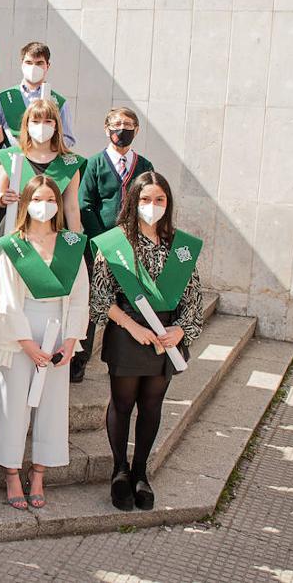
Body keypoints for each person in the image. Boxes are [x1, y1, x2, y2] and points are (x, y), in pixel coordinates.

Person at [89, 172, 203, 512]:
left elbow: (194, 297)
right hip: (129, 333)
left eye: (159, 200)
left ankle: (141, 472)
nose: (152, 207)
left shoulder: (179, 247)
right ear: (132, 202)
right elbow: (100, 295)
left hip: (166, 336)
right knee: (122, 404)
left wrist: (180, 331)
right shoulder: (116, 244)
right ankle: (119, 470)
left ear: (167, 205)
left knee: (152, 405)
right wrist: (131, 327)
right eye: (145, 200)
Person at [0, 176, 89, 510]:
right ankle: (12, 471)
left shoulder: (71, 244)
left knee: (52, 404)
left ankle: (40, 471)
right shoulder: (14, 246)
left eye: (51, 200)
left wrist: (71, 340)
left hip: (59, 330)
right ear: (26, 204)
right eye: (38, 199)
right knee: (13, 402)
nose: (45, 206)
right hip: (21, 334)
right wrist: (27, 343)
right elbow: (5, 299)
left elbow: (80, 293)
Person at [73, 107, 154, 382]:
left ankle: (127, 358)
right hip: (98, 246)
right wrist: (101, 241)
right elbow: (85, 204)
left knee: (128, 300)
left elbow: (149, 199)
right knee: (96, 302)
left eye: (129, 124)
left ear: (137, 130)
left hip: (132, 246)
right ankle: (80, 360)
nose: (123, 129)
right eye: (117, 124)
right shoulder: (94, 163)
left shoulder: (144, 166)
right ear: (107, 128)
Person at [0, 99, 85, 233]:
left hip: (53, 232)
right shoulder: (10, 157)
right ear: (27, 125)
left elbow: (71, 207)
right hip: (16, 230)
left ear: (56, 126)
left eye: (48, 121)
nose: (41, 126)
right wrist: (3, 198)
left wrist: (75, 240)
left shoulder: (69, 162)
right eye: (35, 121)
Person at [0, 41, 76, 148]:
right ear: (22, 64)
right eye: (29, 62)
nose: (33, 67)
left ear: (47, 66)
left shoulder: (58, 102)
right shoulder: (5, 98)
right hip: (10, 160)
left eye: (39, 63)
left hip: (43, 162)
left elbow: (67, 138)